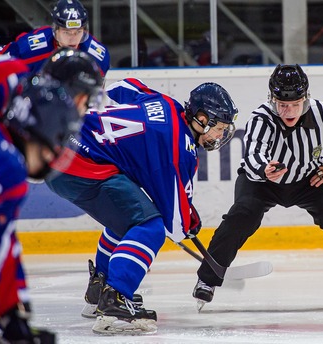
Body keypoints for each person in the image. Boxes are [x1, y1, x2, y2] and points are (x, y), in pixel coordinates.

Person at [44, 77, 239, 335]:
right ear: (201, 119)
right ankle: (115, 297)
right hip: (81, 164)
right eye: (219, 128)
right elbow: (175, 225)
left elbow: (126, 85)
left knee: (127, 218)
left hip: (56, 146)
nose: (220, 135)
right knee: (149, 226)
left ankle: (99, 288)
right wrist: (187, 222)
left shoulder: (166, 103)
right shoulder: (180, 149)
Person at [193, 64, 323, 310]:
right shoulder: (262, 118)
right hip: (261, 182)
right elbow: (252, 155)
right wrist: (264, 169)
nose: (288, 111)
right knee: (241, 217)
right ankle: (207, 280)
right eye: (281, 104)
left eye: (295, 104)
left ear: (306, 99)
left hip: (309, 180)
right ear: (272, 99)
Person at [0, 55, 82, 343]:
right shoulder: (8, 168)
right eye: (57, 140)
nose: (56, 152)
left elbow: (3, 238)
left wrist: (10, 311)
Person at [0, 0, 110, 76]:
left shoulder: (97, 57)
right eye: (66, 32)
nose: (73, 39)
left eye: (78, 32)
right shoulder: (30, 48)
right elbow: (0, 58)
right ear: (55, 30)